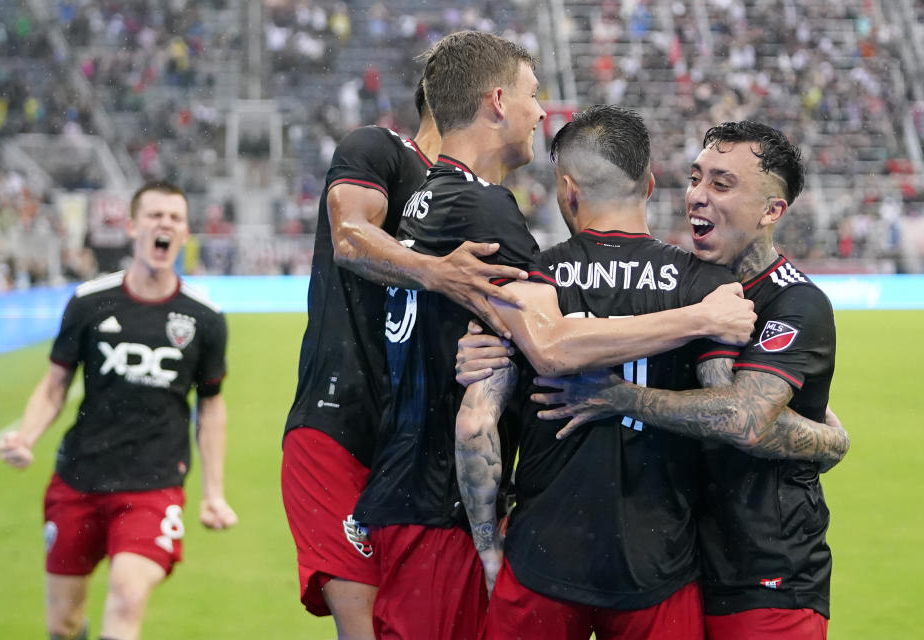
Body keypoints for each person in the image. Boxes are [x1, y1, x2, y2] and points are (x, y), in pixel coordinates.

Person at [352, 35, 755, 640]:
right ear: (649, 186)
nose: (540, 111)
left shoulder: (525, 264)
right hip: (657, 560)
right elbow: (735, 421)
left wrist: (492, 548)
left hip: (535, 552)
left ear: (567, 190)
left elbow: (475, 421)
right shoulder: (705, 284)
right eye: (533, 96)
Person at [534, 121, 847, 639]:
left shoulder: (795, 303)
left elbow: (745, 419)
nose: (697, 196)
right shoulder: (688, 287)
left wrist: (622, 397)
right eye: (696, 178)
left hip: (767, 572)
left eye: (722, 185)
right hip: (685, 562)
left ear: (772, 211)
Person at [281, 79, 529, 640]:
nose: (536, 111)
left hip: (420, 457)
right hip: (339, 423)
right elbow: (350, 236)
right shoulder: (378, 150)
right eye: (525, 93)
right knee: (367, 627)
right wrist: (436, 271)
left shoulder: (475, 197)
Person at [0, 181, 237, 640]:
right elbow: (54, 386)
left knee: (127, 596)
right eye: (154, 215)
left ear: (186, 233)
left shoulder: (204, 317)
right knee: (62, 622)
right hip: (79, 477)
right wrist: (25, 437)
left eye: (174, 218)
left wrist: (214, 493)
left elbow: (210, 408)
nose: (164, 224)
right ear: (132, 226)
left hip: (154, 484)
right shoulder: (91, 301)